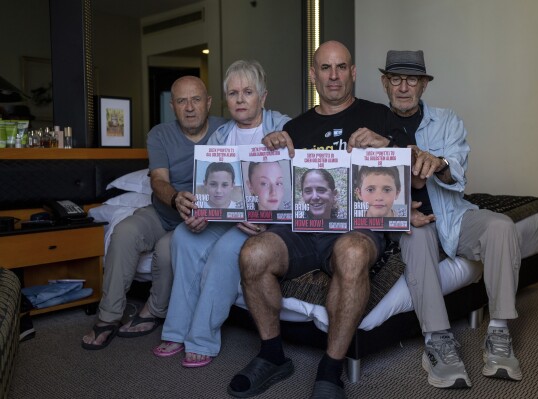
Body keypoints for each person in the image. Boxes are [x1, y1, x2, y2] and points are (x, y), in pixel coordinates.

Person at [228, 41, 406, 399]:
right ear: (314, 75)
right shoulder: (295, 127)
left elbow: (408, 173)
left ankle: (329, 369)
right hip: (302, 228)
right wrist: (272, 149)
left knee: (353, 253)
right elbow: (274, 188)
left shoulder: (379, 116)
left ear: (353, 73)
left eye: (342, 67)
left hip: (357, 226)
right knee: (253, 254)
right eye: (325, 68)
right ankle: (272, 354)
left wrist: (384, 143)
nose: (334, 75)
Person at [380, 50, 522, 388]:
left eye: (412, 79)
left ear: (424, 85)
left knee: (501, 226)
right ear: (385, 83)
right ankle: (438, 342)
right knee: (415, 237)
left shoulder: (447, 121)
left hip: (453, 216)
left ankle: (499, 334)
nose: (403, 87)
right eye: (396, 79)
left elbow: (457, 171)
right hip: (408, 222)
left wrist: (439, 164)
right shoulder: (373, 125)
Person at [152, 60, 290, 367]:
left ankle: (202, 338)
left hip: (265, 224)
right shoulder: (221, 136)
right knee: (184, 237)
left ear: (263, 97)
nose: (240, 99)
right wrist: (202, 211)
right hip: (228, 218)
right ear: (225, 99)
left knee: (227, 249)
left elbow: (293, 188)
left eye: (248, 92)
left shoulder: (282, 127)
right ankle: (176, 329)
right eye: (233, 93)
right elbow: (212, 190)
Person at [81, 76, 226, 350]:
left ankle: (154, 311)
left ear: (208, 103)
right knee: (124, 232)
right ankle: (109, 316)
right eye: (182, 101)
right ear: (172, 106)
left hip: (197, 221)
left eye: (196, 99)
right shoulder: (160, 134)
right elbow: (158, 179)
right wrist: (174, 198)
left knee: (167, 248)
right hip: (163, 211)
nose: (190, 107)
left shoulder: (225, 130)